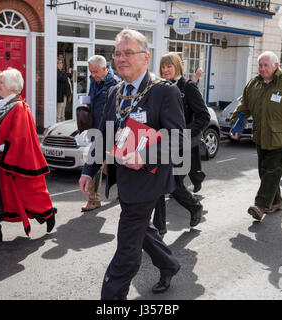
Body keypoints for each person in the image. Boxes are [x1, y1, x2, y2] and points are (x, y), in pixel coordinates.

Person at [79, 29, 186, 299]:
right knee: (142, 230)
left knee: (127, 247)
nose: (121, 58)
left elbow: (179, 140)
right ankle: (169, 264)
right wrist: (89, 170)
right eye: (117, 53)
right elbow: (102, 135)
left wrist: (144, 155)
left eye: (128, 52)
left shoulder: (163, 91)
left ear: (145, 57)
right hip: (124, 178)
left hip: (148, 180)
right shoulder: (115, 91)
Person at [0, 68, 56, 245]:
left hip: (10, 160)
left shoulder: (19, 108)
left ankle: (47, 214)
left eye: (1, 82)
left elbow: (21, 137)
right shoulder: (0, 104)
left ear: (11, 86)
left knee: (26, 195)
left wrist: (0, 148)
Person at [229, 51, 282, 221]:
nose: (262, 68)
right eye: (260, 65)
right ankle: (277, 201)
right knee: (265, 173)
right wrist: (235, 123)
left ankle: (260, 206)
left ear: (276, 65)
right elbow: (244, 106)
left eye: (266, 65)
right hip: (261, 136)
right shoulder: (254, 84)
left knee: (272, 171)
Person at [152, 52, 209, 235]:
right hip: (162, 142)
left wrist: (184, 133)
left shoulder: (188, 87)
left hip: (181, 143)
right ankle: (159, 226)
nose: (166, 69)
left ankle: (194, 207)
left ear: (177, 66)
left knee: (173, 184)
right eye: (163, 66)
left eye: (169, 66)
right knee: (158, 182)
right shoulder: (159, 88)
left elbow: (204, 116)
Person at [81, 55, 119, 212]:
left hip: (111, 130)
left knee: (115, 163)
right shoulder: (93, 80)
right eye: (91, 72)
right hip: (95, 127)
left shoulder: (115, 84)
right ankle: (94, 200)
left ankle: (122, 190)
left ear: (105, 69)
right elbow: (91, 97)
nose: (93, 75)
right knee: (96, 162)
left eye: (96, 72)